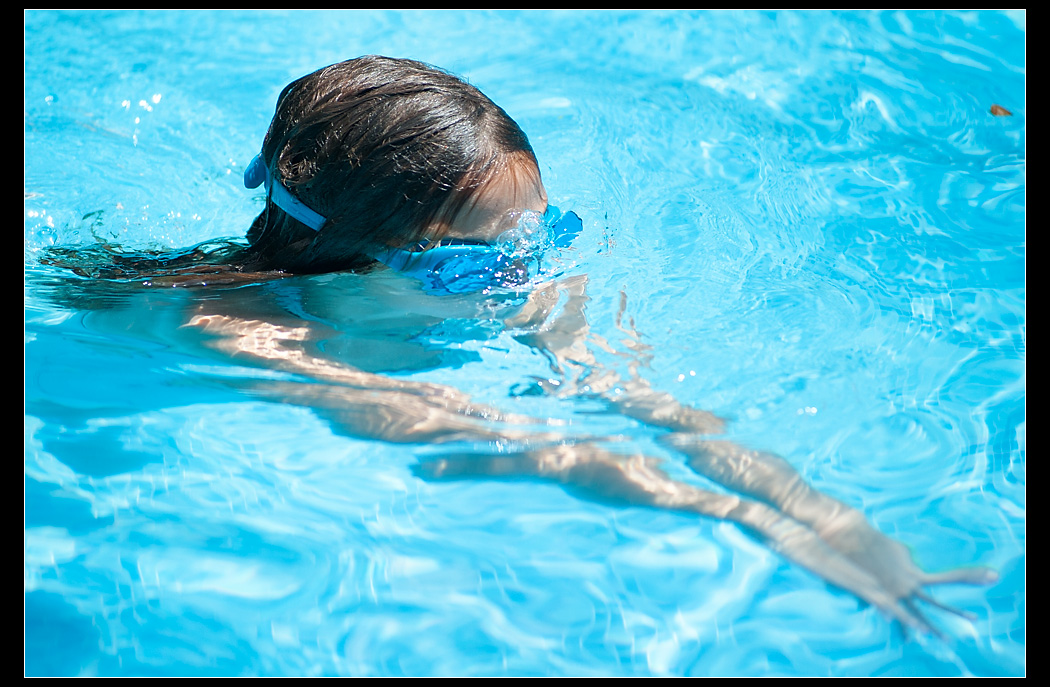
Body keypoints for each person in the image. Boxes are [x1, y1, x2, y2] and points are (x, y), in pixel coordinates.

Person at [45, 56, 997, 634]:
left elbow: (652, 405)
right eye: (476, 264)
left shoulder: (507, 268)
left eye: (538, 237)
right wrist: (745, 522)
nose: (522, 277)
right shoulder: (243, 330)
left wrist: (821, 513)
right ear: (355, 257)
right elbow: (482, 440)